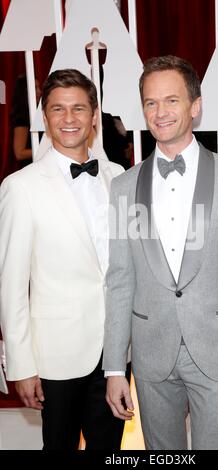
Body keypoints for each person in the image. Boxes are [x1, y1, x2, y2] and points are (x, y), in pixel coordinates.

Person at [103, 55, 218, 450]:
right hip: (151, 354)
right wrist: (115, 368)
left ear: (196, 106)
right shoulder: (124, 188)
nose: (160, 112)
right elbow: (119, 280)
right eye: (150, 102)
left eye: (172, 100)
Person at [0, 68, 129, 450]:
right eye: (58, 109)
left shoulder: (118, 176)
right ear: (45, 117)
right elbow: (10, 285)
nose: (69, 119)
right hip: (55, 354)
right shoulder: (20, 187)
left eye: (78, 109)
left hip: (116, 353)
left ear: (94, 116)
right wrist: (21, 365)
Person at [10, 74, 42, 168]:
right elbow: (19, 153)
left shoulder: (35, 114)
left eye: (39, 87)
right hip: (30, 168)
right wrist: (46, 148)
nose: (39, 91)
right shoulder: (22, 118)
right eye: (35, 88)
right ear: (24, 92)